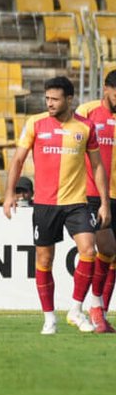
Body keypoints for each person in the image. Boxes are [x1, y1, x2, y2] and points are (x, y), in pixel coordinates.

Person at [3, 76, 111, 335]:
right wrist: (8, 194)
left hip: (77, 203)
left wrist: (104, 203)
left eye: (55, 99)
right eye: (47, 98)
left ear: (69, 99)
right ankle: (49, 318)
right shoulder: (35, 124)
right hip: (45, 204)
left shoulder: (85, 127)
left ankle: (75, 309)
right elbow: (18, 161)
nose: (49, 103)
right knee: (44, 258)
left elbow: (97, 166)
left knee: (89, 250)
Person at [76, 69, 116, 332]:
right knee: (106, 249)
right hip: (94, 194)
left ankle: (99, 313)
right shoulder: (88, 111)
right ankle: (92, 307)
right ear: (106, 88)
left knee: (113, 256)